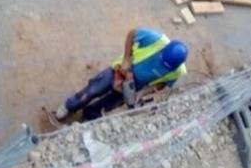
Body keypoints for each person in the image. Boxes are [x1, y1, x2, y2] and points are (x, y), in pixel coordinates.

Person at [53, 30, 190, 125]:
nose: (162, 65)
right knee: (92, 90)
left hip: (134, 87)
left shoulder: (178, 71)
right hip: (121, 71)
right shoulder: (156, 39)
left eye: (166, 66)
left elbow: (163, 84)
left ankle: (85, 118)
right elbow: (132, 33)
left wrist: (143, 92)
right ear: (164, 50)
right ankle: (69, 106)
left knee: (106, 105)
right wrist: (126, 60)